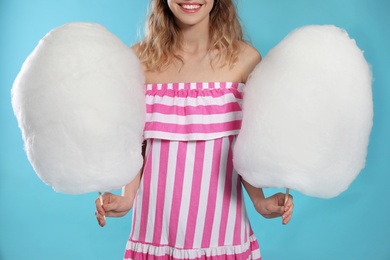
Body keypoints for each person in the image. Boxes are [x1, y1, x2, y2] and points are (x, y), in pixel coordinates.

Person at [95, 0, 294, 259]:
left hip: (222, 234)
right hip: (156, 233)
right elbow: (137, 144)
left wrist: (259, 201)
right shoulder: (137, 61)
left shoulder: (245, 60)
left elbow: (245, 146)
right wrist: (127, 197)